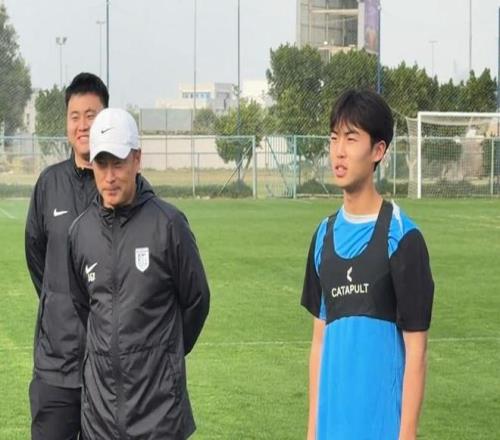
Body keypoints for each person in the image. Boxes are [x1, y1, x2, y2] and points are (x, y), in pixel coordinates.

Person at [67, 108, 210, 439]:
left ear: (137, 159)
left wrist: (163, 353)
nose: (109, 176)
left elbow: (197, 301)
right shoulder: (80, 232)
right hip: (99, 420)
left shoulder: (169, 224)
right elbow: (83, 306)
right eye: (102, 164)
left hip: (159, 416)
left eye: (118, 163)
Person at [301, 89, 434, 440]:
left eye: (351, 138)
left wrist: (407, 435)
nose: (339, 151)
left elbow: (417, 351)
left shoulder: (403, 238)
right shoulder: (323, 236)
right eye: (334, 138)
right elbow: (318, 343)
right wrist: (313, 431)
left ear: (378, 150)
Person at [25, 72, 108, 440]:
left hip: (107, 371)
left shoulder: (121, 186)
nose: (83, 125)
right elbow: (36, 255)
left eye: (92, 115)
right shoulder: (49, 183)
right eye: (75, 116)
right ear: (66, 124)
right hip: (55, 368)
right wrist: (58, 300)